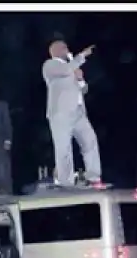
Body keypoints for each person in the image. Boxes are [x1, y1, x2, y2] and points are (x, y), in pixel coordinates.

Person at [42, 40, 103, 187]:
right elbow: (64, 71)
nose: (67, 50)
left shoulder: (71, 67)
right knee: (64, 149)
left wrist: (81, 79)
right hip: (60, 114)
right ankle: (66, 182)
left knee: (90, 140)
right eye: (64, 48)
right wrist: (81, 56)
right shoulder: (50, 65)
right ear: (56, 50)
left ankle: (94, 177)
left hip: (79, 112)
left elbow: (84, 90)